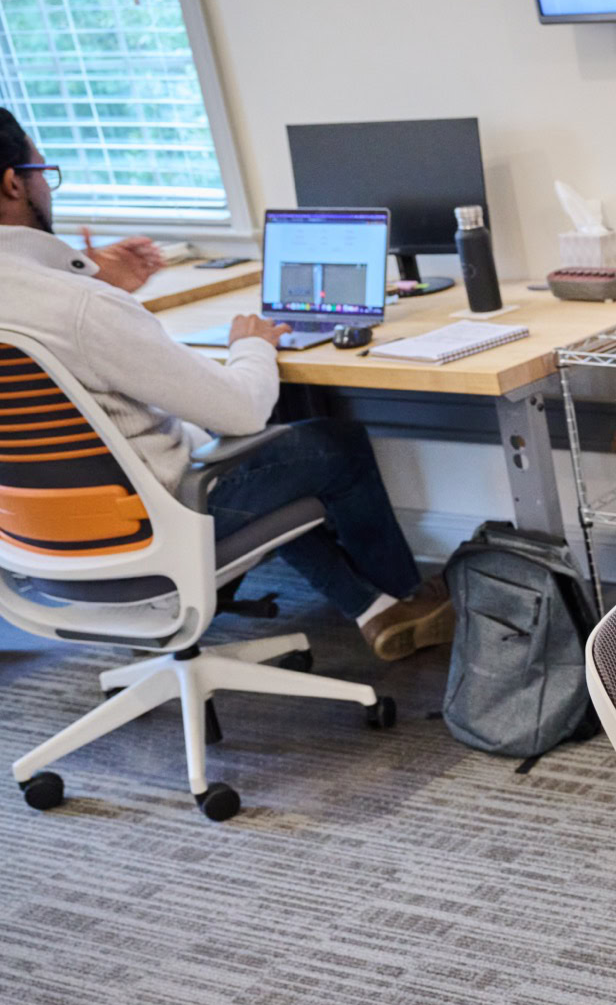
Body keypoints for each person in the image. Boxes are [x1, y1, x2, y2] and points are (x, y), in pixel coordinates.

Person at [0, 109, 450, 660]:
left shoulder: (71, 299)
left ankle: (371, 608)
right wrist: (253, 343)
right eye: (43, 169)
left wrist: (93, 282)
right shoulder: (80, 307)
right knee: (328, 446)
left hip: (36, 544)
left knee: (266, 463)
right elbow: (240, 411)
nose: (48, 184)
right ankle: (409, 599)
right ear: (13, 181)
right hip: (151, 526)